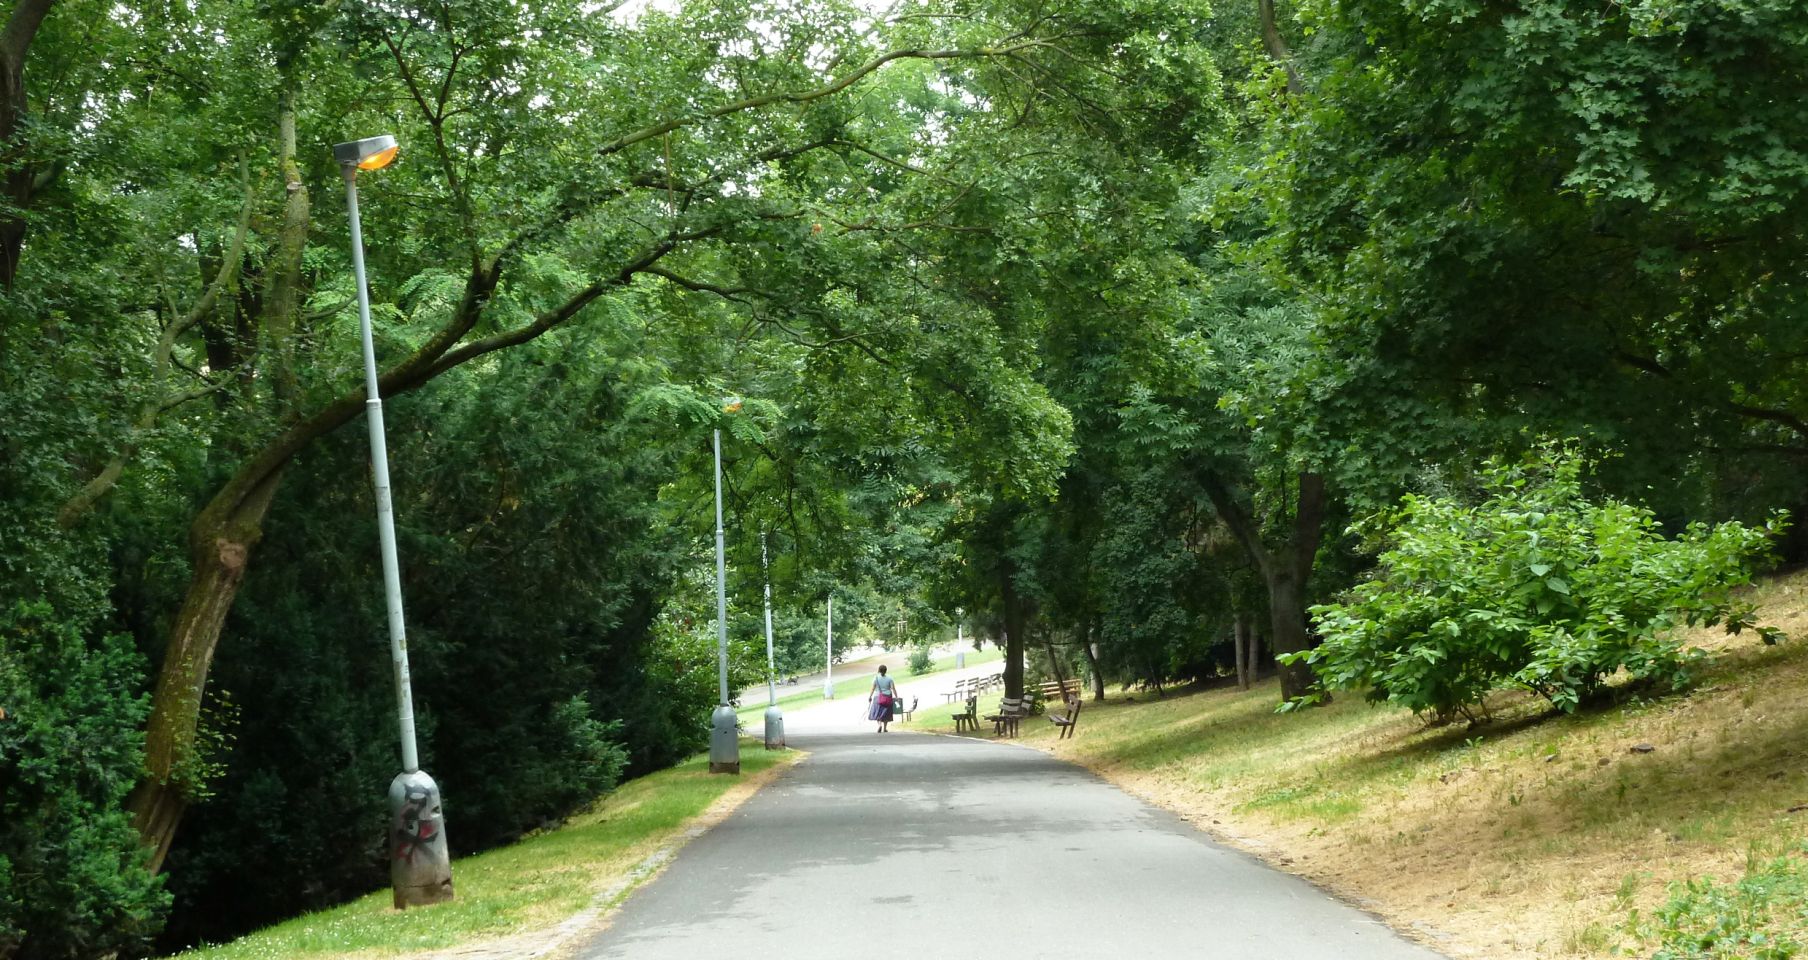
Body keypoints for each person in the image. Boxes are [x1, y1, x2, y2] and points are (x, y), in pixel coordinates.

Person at [868, 664, 899, 733]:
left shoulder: (876, 678)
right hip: (888, 697)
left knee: (878, 712)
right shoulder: (890, 678)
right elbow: (893, 688)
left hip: (878, 697)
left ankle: (879, 725)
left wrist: (870, 696)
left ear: (879, 670)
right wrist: (896, 697)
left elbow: (873, 688)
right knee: (886, 713)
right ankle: (885, 728)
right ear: (886, 671)